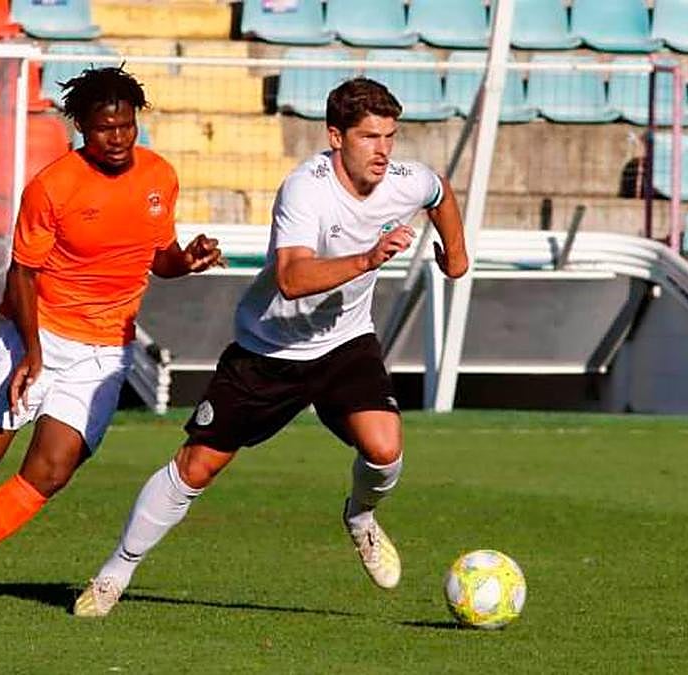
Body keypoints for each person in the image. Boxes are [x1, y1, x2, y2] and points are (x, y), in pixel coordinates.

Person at [72, 77, 469, 618]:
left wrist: (456, 257)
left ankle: (359, 517)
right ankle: (113, 575)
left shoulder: (404, 179)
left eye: (390, 137)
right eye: (370, 137)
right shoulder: (305, 189)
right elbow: (291, 278)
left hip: (344, 343)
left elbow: (439, 192)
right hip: (267, 349)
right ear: (335, 137)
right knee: (197, 467)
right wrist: (368, 260)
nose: (383, 150)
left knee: (384, 448)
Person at [0, 66, 224, 602]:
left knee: (50, 472)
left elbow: (157, 256)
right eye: (104, 128)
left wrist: (186, 260)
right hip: (38, 335)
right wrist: (33, 353)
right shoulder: (53, 186)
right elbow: (23, 272)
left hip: (103, 355)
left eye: (126, 126)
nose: (117, 138)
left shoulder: (159, 177)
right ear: (81, 127)